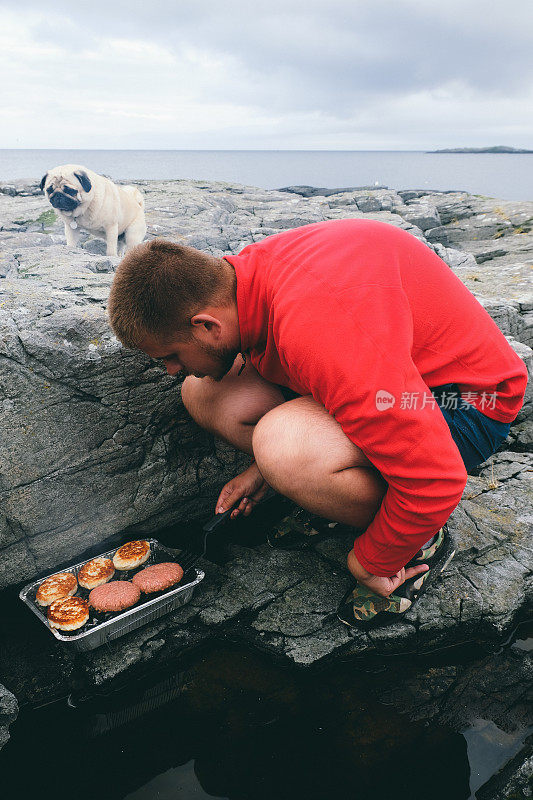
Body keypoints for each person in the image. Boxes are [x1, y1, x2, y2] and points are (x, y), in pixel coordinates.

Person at [107, 219, 528, 627]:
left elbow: (436, 477)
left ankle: (419, 538)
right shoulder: (242, 281)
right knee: (205, 393)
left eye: (171, 356)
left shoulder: (321, 327)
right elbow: (346, 370)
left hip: (462, 399)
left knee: (284, 447)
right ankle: (337, 491)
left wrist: (370, 561)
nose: (170, 369)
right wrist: (263, 472)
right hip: (382, 378)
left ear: (207, 325)